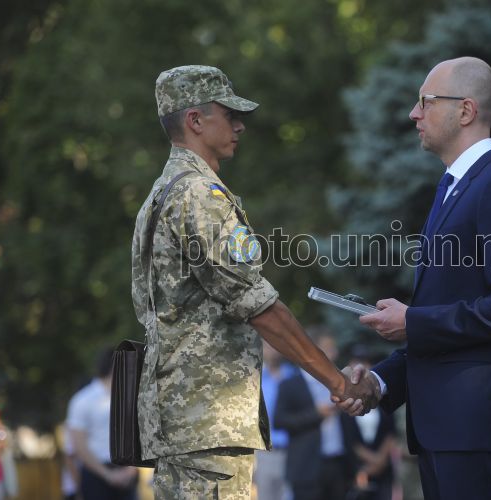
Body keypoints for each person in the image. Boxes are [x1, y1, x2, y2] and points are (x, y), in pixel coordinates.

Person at [131, 65, 377, 500]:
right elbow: (258, 306)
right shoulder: (199, 196)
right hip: (207, 420)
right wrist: (337, 382)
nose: (240, 126)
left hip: (183, 418)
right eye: (229, 115)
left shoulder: (161, 193)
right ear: (195, 120)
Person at [344, 56, 491, 500]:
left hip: (473, 429)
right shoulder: (453, 187)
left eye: (426, 101)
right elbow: (444, 321)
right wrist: (380, 381)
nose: (413, 113)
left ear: (466, 110)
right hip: (446, 431)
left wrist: (413, 321)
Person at [274, 331, 355, 500]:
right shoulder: (290, 384)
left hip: (338, 464)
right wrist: (316, 414)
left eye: (334, 349)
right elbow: (279, 421)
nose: (334, 354)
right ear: (314, 351)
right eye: (328, 349)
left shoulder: (339, 382)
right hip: (306, 467)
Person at [66, 349, 137, 500]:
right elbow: (79, 446)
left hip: (127, 474)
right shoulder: (83, 400)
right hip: (96, 475)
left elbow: (136, 435)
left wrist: (130, 470)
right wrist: (108, 475)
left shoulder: (129, 397)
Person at [342, 345, 398, 500]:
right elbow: (348, 438)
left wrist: (380, 460)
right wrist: (371, 460)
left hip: (383, 468)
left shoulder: (381, 397)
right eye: (356, 362)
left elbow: (391, 432)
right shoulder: (344, 400)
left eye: (365, 362)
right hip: (356, 469)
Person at [253, 341, 295, 500]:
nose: (272, 349)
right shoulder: (255, 377)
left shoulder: (293, 376)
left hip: (292, 451)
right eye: (267, 345)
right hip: (264, 453)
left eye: (274, 344)